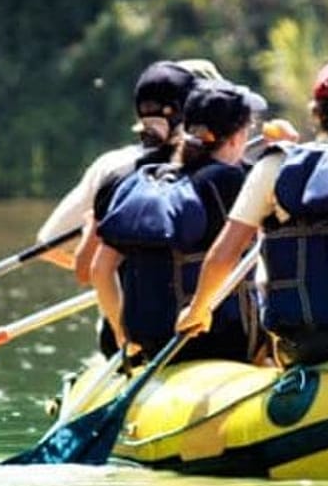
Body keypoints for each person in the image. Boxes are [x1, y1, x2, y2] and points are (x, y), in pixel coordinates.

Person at [175, 59, 328, 367]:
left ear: (317, 114)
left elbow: (224, 254)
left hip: (303, 345)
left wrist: (198, 310)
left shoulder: (273, 166)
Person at [92, 80, 265, 365]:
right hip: (218, 341)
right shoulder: (229, 181)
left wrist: (122, 333)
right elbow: (226, 258)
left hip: (153, 346)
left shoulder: (147, 180)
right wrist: (197, 310)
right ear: (237, 138)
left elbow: (100, 270)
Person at [36, 60, 201, 280]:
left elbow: (48, 247)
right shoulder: (218, 164)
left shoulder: (112, 166)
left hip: (127, 298)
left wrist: (108, 275)